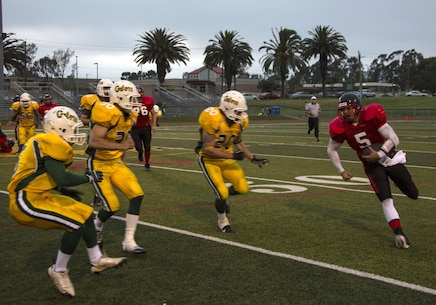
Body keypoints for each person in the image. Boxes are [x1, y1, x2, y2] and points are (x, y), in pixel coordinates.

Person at [7, 106, 127, 297]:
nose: (77, 132)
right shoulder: (51, 142)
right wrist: (87, 178)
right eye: (73, 127)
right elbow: (61, 177)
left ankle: (96, 260)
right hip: (27, 201)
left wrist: (63, 190)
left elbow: (41, 175)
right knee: (75, 225)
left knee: (85, 213)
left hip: (39, 194)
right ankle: (59, 271)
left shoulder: (44, 141)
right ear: (60, 128)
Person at [327, 92, 419, 249]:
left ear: (357, 108)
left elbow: (394, 139)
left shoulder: (372, 115)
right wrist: (341, 170)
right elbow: (331, 149)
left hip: (389, 157)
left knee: (413, 194)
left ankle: (398, 181)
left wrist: (380, 154)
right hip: (371, 164)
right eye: (343, 110)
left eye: (349, 109)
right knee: (386, 199)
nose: (345, 113)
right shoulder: (339, 126)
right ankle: (399, 233)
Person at [196, 90, 269, 233]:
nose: (240, 115)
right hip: (209, 160)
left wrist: (252, 158)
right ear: (227, 108)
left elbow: (238, 141)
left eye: (241, 112)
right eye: (238, 111)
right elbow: (208, 148)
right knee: (222, 193)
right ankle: (223, 221)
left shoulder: (239, 121)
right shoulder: (213, 118)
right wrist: (233, 157)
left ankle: (224, 199)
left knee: (243, 188)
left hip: (227, 158)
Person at [87, 80, 146, 253]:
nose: (135, 102)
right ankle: (97, 225)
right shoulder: (107, 111)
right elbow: (95, 141)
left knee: (137, 195)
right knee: (112, 206)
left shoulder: (128, 115)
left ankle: (129, 241)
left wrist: (124, 159)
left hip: (116, 163)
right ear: (120, 97)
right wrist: (122, 147)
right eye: (132, 98)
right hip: (99, 163)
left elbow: (124, 139)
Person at [80, 78, 113, 206]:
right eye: (105, 88)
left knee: (111, 166)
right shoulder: (91, 100)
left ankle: (102, 193)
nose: (108, 91)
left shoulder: (115, 100)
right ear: (99, 88)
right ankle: (98, 194)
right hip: (96, 137)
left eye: (110, 88)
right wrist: (100, 123)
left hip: (111, 138)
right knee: (96, 166)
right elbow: (83, 119)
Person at [131, 86, 157, 171]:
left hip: (146, 127)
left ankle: (147, 163)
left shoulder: (148, 100)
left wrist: (153, 125)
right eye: (138, 93)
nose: (140, 95)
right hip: (135, 128)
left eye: (141, 92)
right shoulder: (130, 102)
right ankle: (140, 152)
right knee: (138, 147)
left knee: (147, 146)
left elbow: (154, 113)